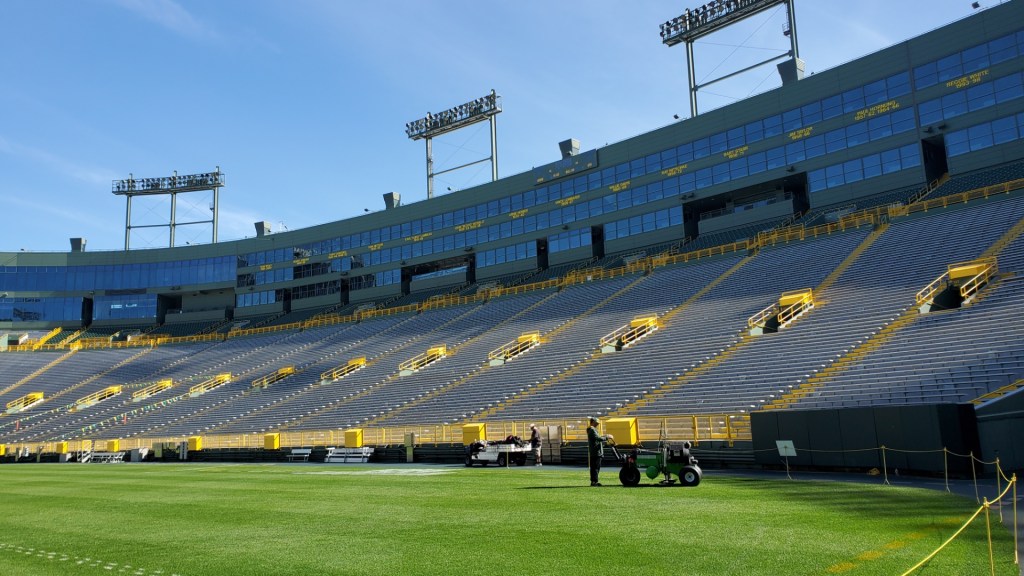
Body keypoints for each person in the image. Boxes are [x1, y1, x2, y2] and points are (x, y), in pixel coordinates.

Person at [586, 417, 612, 486]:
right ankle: (594, 482)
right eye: (596, 423)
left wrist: (605, 436)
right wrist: (607, 437)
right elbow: (598, 438)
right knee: (595, 468)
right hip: (596, 452)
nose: (597, 424)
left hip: (595, 452)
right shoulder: (592, 430)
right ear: (592, 422)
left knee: (595, 467)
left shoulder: (592, 429)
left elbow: (598, 437)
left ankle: (594, 481)